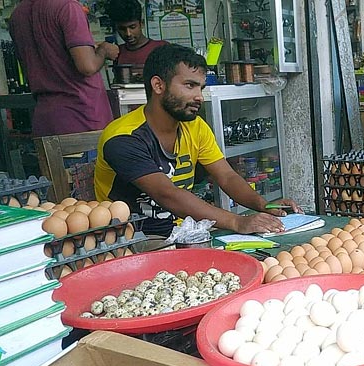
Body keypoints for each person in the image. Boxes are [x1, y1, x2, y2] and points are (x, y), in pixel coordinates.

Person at [94, 44, 302, 237]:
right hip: (136, 241)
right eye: (189, 85)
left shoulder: (195, 126)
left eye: (200, 88)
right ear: (158, 85)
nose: (199, 97)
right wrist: (238, 222)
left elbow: (227, 176)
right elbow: (168, 194)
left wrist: (263, 205)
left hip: (187, 233)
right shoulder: (123, 138)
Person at [9, 0, 119, 136]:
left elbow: (31, 70)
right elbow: (87, 66)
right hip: (82, 121)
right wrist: (104, 51)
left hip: (45, 121)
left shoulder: (18, 15)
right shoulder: (68, 8)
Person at [106, 0, 167, 81]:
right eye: (122, 29)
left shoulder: (162, 48)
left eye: (132, 27)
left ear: (141, 23)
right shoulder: (117, 52)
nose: (128, 33)